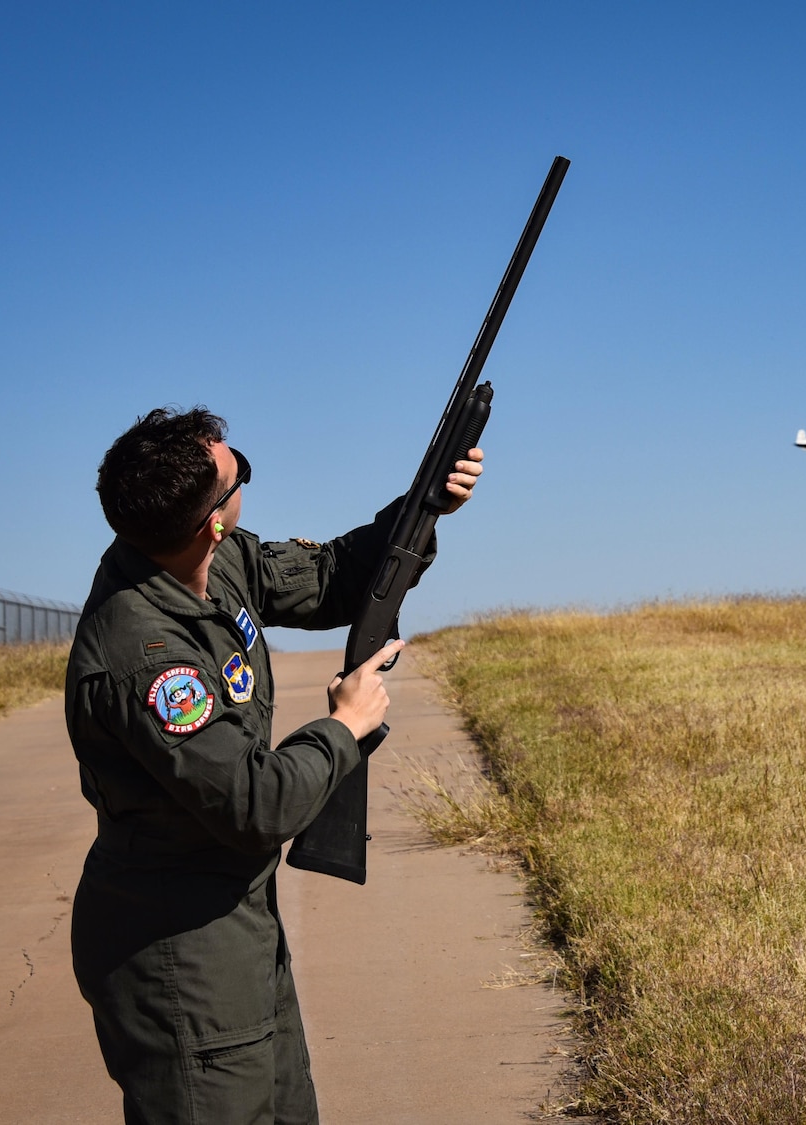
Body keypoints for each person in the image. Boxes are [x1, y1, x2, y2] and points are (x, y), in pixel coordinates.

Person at [65, 406, 481, 1124]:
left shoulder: (211, 561)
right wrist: (343, 725)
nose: (242, 482)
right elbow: (257, 805)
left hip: (239, 928)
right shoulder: (150, 661)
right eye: (238, 474)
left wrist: (425, 505)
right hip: (180, 955)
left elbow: (331, 575)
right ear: (211, 520)